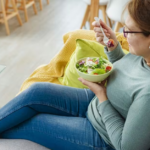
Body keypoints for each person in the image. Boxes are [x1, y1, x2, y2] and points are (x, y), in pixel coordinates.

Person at [0, 0, 150, 149]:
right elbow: (129, 70)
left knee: (30, 123)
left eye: (129, 31)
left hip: (102, 135)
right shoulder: (144, 55)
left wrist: (102, 96)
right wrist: (111, 44)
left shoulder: (147, 94)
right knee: (36, 91)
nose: (124, 35)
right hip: (95, 103)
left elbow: (126, 146)